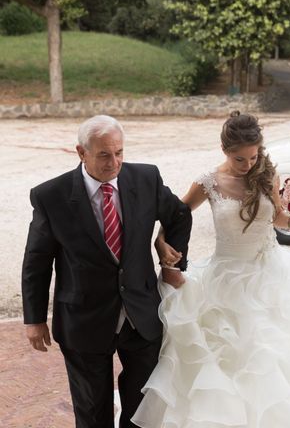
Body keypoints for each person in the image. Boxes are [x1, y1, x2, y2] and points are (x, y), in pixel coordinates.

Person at [131, 111, 290, 427]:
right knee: (228, 357)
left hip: (269, 278)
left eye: (253, 156)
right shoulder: (207, 181)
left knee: (273, 356)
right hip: (224, 278)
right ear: (225, 151)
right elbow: (177, 215)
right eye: (240, 159)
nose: (249, 164)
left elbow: (277, 218)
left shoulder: (267, 174)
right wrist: (160, 243)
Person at [21, 115, 192, 428]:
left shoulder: (146, 178)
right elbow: (37, 260)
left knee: (143, 410)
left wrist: (170, 261)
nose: (114, 162)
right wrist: (34, 319)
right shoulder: (50, 196)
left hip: (142, 315)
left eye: (119, 152)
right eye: (103, 154)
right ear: (80, 152)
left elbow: (179, 216)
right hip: (83, 320)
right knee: (91, 412)